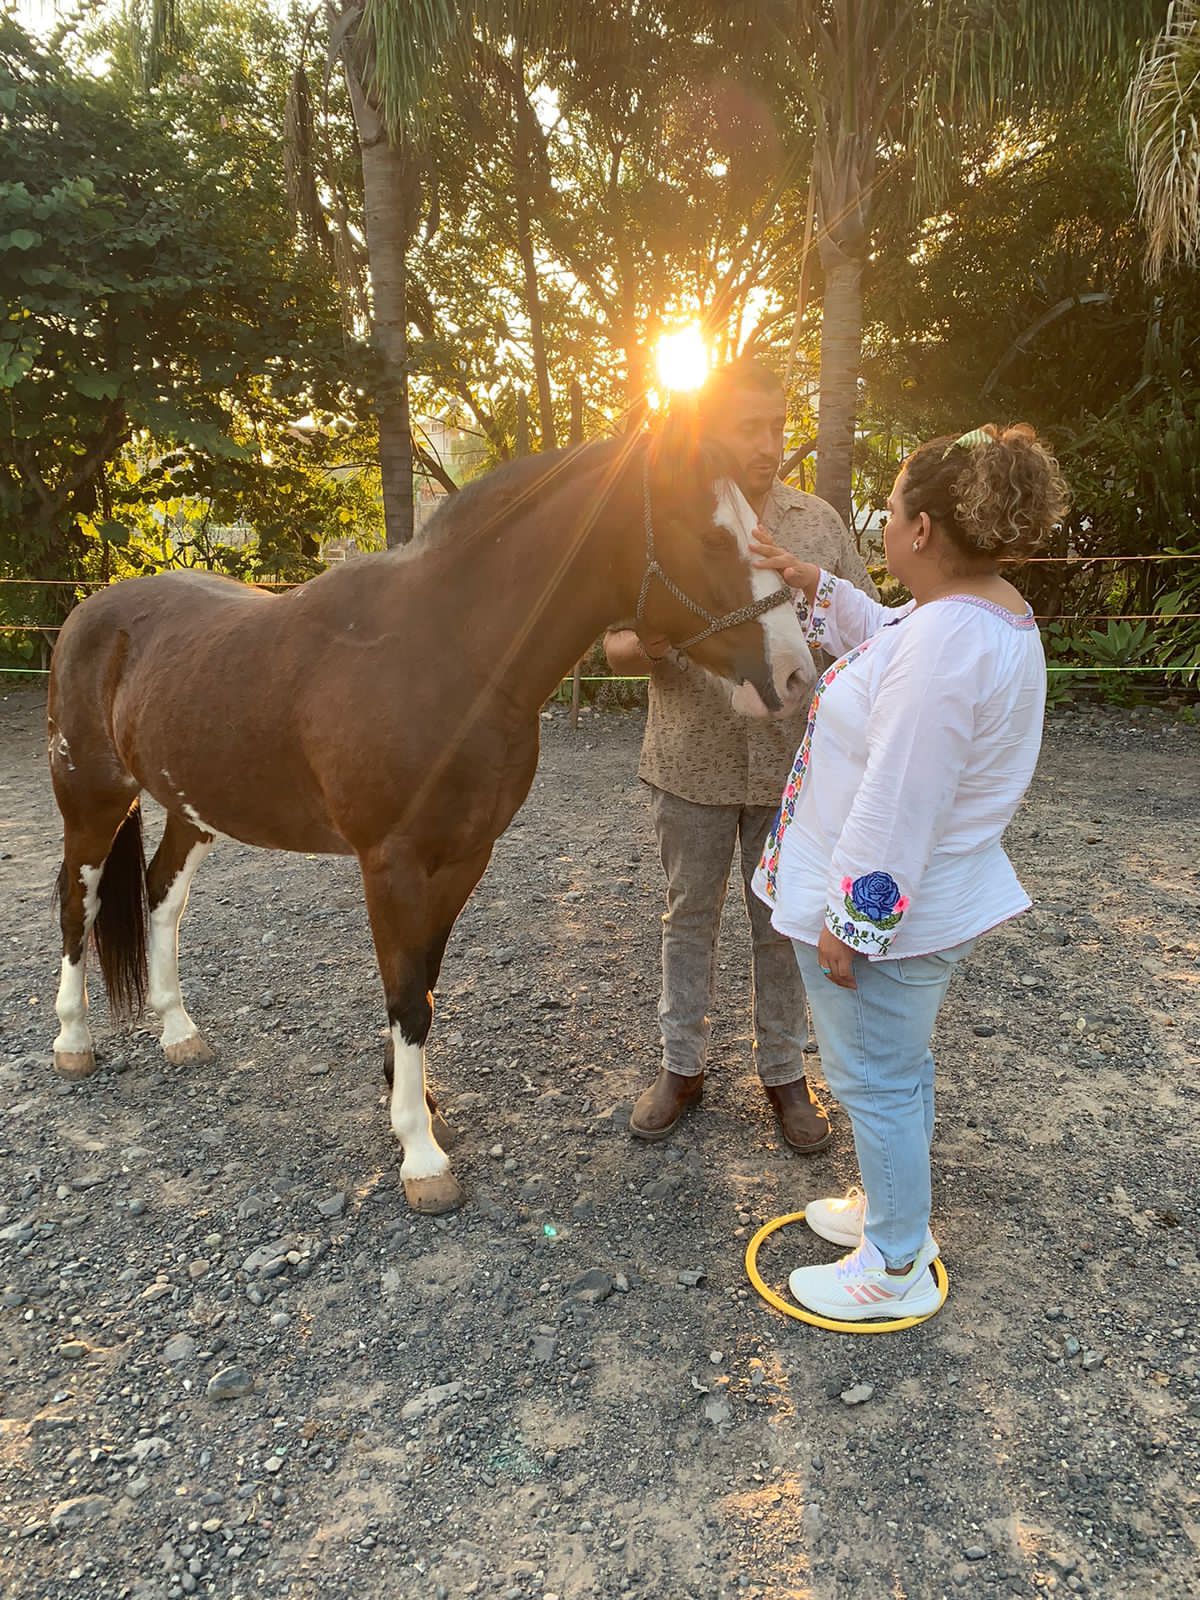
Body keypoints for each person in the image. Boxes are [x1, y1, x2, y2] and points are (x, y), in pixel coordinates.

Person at [749, 422, 1066, 1320]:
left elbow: (900, 798)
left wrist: (854, 927)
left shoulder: (946, 645)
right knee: (899, 1065)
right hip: (924, 910)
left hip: (890, 920)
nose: (882, 524)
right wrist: (817, 584)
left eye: (888, 510)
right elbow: (888, 634)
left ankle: (891, 1264)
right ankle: (895, 1217)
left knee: (875, 1078)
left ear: (921, 531)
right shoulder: (969, 615)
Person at [604, 359, 878, 1150]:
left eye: (776, 426)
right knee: (686, 916)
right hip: (688, 759)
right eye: (748, 428)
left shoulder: (817, 523)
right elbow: (613, 646)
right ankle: (680, 1067)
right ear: (713, 431)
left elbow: (859, 633)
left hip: (793, 767)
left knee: (780, 924)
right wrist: (642, 645)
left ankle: (785, 1076)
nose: (767, 443)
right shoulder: (668, 518)